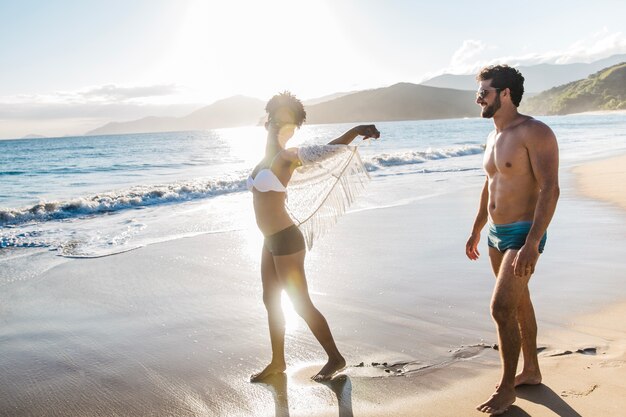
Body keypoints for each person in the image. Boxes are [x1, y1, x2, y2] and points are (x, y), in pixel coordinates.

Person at [248, 91, 380, 382]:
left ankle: (335, 357)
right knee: (270, 299)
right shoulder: (263, 160)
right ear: (267, 120)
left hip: (285, 238)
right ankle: (277, 362)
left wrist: (355, 131)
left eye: (287, 122)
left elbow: (327, 150)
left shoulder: (287, 156)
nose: (278, 124)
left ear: (293, 128)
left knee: (299, 302)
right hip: (269, 240)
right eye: (275, 118)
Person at [465, 65, 560, 415]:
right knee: (519, 303)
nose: (479, 97)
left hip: (523, 232)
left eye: (485, 91)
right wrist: (477, 227)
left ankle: (507, 389)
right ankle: (531, 370)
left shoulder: (534, 131)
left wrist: (533, 242)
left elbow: (551, 188)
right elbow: (490, 184)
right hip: (495, 232)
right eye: (479, 92)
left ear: (506, 94)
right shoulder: (492, 136)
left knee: (500, 308)